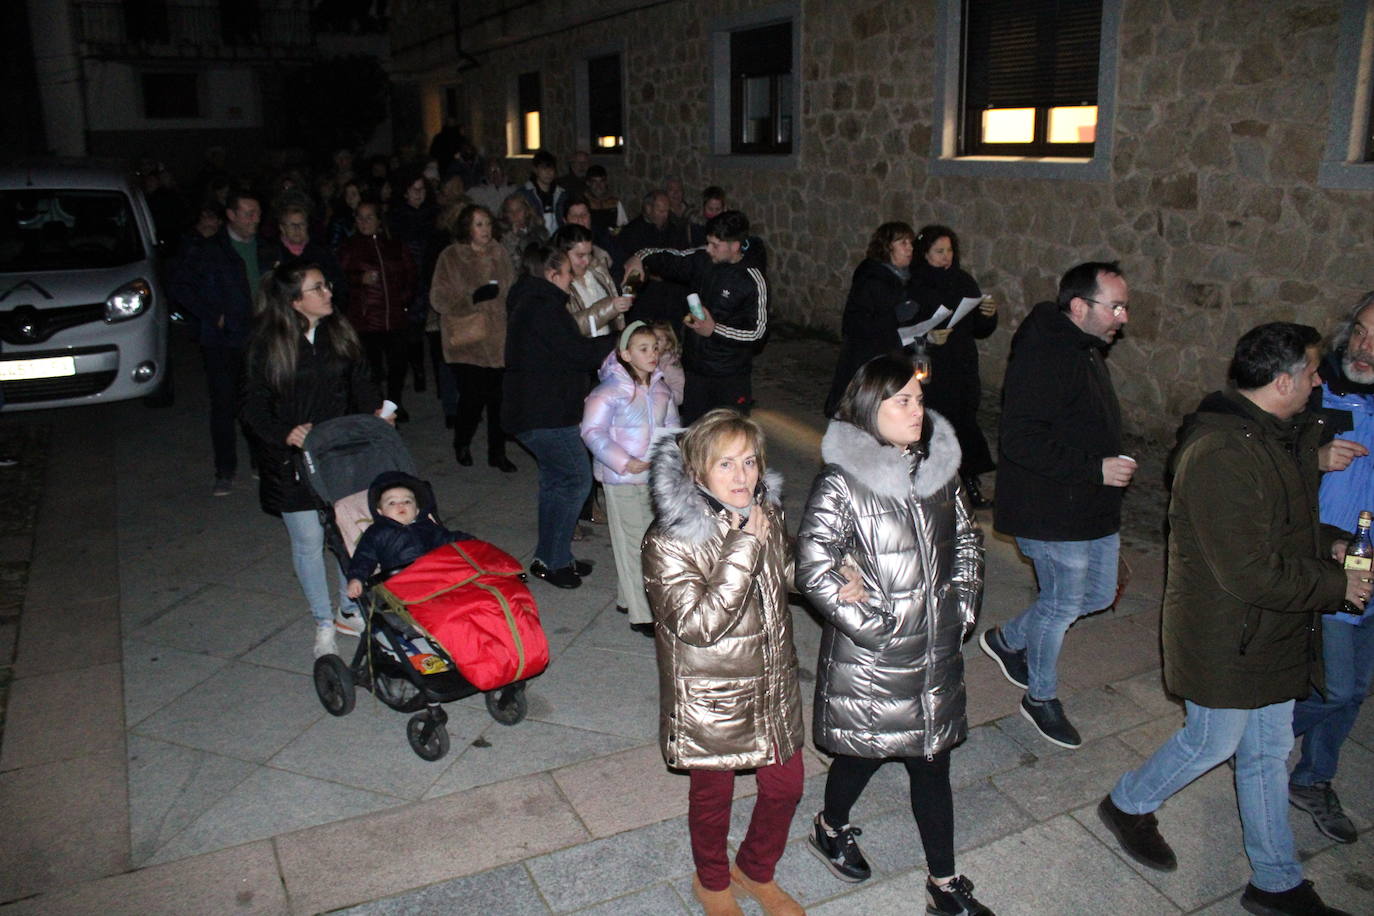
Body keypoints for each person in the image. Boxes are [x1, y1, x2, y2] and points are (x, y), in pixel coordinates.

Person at [1098, 322, 1358, 916]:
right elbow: (1248, 569)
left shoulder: (1275, 436)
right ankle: (1127, 804)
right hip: (1227, 632)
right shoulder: (1222, 451)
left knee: (1265, 751)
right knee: (1213, 739)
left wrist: (1334, 544)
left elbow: (1281, 526)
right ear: (1285, 381)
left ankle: (1275, 882)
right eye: (1315, 372)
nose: (1321, 382)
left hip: (1266, 627)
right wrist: (1338, 583)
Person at [796, 354, 993, 916]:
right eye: (901, 401)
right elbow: (813, 565)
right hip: (876, 657)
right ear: (868, 408)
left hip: (935, 649)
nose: (916, 411)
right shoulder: (844, 483)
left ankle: (944, 882)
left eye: (919, 400)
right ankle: (831, 825)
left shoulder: (937, 471)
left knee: (932, 757)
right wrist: (878, 627)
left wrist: (962, 610)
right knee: (865, 754)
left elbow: (967, 542)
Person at [642, 409, 806, 916]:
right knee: (712, 797)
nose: (743, 477)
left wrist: (833, 574)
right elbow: (698, 624)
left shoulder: (766, 512)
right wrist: (744, 544)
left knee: (786, 786)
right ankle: (711, 879)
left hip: (773, 680)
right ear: (696, 472)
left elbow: (788, 571)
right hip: (711, 694)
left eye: (751, 462)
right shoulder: (668, 541)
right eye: (726, 465)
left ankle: (755, 870)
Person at [980, 261, 1134, 749]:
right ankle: (1039, 698)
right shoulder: (1045, 351)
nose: (1122, 318)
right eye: (1114, 307)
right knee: (1061, 602)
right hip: (1051, 508)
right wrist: (1095, 468)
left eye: (1124, 307)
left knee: (1098, 594)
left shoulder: (1084, 346)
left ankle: (1007, 641)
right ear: (1078, 306)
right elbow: (1021, 440)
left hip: (1091, 504)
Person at [240, 260, 383, 659]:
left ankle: (347, 609)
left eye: (327, 285)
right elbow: (252, 406)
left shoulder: (339, 332)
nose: (329, 293)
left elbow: (362, 382)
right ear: (295, 300)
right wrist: (285, 433)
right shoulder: (268, 344)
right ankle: (322, 621)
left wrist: (377, 412)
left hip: (340, 454)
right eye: (318, 288)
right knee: (309, 540)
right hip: (292, 461)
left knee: (347, 534)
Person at [1289, 292, 1374, 845]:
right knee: (1337, 688)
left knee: (1357, 688)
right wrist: (1312, 458)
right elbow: (1259, 452)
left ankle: (1312, 778)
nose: (1365, 348)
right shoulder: (1315, 388)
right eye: (1363, 332)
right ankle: (1256, 742)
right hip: (1330, 560)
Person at [502, 244, 616, 588]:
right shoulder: (544, 308)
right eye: (568, 272)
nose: (573, 277)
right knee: (577, 480)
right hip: (546, 414)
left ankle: (551, 557)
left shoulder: (533, 302)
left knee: (555, 482)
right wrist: (616, 342)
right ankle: (553, 561)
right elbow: (576, 353)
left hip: (536, 410)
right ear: (551, 275)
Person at [168, 188, 275, 496]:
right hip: (223, 341)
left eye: (257, 213)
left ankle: (260, 462)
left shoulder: (265, 248)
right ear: (231, 215)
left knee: (259, 403)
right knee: (224, 405)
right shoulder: (210, 249)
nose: (255, 220)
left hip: (260, 338)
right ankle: (225, 469)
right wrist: (212, 314)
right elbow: (180, 285)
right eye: (248, 214)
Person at [580, 322, 680, 636]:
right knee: (633, 543)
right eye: (643, 349)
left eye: (655, 348)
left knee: (648, 542)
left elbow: (672, 430)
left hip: (652, 478)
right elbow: (592, 432)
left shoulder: (662, 389)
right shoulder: (609, 391)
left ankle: (629, 598)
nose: (653, 354)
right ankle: (644, 615)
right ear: (626, 354)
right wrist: (624, 462)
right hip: (621, 478)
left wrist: (674, 463)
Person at [624, 211, 767, 423]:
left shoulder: (752, 279)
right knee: (693, 436)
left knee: (727, 440)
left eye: (715, 245)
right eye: (707, 242)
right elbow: (670, 257)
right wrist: (640, 257)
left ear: (735, 246)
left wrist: (714, 330)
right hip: (695, 372)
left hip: (729, 376)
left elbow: (758, 333)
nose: (708, 249)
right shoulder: (702, 259)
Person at [911, 225, 998, 508]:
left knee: (964, 421)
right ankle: (934, 484)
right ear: (925, 254)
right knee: (936, 425)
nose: (945, 257)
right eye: (939, 251)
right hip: (931, 368)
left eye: (949, 250)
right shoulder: (915, 284)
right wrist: (927, 337)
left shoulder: (963, 281)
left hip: (961, 363)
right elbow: (902, 329)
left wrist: (988, 315)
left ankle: (968, 481)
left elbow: (979, 328)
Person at [430, 204, 517, 472]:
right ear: (467, 227)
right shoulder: (451, 256)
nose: (485, 230)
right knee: (472, 397)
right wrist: (472, 299)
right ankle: (462, 441)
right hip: (467, 340)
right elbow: (439, 299)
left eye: (488, 224)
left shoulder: (500, 253)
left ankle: (497, 452)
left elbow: (511, 291)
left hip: (498, 340)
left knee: (499, 399)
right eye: (479, 224)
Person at [823, 221, 920, 418]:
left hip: (893, 356)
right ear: (887, 246)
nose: (910, 248)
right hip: (869, 358)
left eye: (911, 243)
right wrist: (895, 316)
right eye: (903, 243)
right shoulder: (872, 278)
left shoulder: (907, 278)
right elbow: (858, 324)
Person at [337, 200, 418, 421]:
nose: (364, 222)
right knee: (372, 370)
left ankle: (394, 403)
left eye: (369, 217)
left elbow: (410, 274)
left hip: (394, 317)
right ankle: (378, 408)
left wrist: (404, 300)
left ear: (379, 220)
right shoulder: (350, 247)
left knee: (398, 365)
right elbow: (338, 278)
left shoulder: (393, 244)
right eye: (360, 217)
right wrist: (358, 280)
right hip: (366, 320)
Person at [344, 472, 474, 598]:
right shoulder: (377, 532)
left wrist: (471, 542)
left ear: (417, 509)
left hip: (436, 576)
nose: (400, 505)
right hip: (403, 584)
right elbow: (364, 557)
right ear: (380, 512)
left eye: (407, 501)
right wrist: (356, 578)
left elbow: (448, 538)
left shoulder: (427, 526)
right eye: (392, 503)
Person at [552, 223, 632, 338]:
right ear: (562, 254)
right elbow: (569, 326)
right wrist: (610, 307)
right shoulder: (557, 284)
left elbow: (618, 320)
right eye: (580, 256)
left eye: (589, 254)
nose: (587, 261)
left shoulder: (598, 270)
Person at [517, 149, 567, 235]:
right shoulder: (524, 194)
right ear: (535, 170)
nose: (548, 173)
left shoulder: (561, 194)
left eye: (551, 169)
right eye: (544, 168)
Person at [498, 192, 549, 274]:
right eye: (510, 211)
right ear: (505, 215)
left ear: (527, 211)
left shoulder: (539, 231)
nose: (515, 215)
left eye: (519, 210)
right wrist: (513, 236)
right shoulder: (502, 236)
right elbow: (504, 260)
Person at [652, 320, 686, 406]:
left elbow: (680, 394)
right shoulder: (644, 361)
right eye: (651, 338)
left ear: (668, 344)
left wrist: (664, 397)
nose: (654, 343)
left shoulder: (671, 365)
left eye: (658, 339)